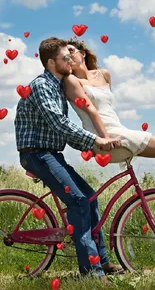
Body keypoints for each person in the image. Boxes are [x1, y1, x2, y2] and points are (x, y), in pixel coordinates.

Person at [14, 37, 124, 283]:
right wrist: (96, 141)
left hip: (51, 153)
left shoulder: (57, 86)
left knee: (91, 198)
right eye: (66, 57)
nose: (70, 61)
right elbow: (59, 124)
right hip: (37, 153)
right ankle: (91, 274)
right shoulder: (43, 85)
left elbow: (64, 132)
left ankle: (101, 261)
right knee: (79, 202)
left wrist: (94, 144)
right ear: (52, 62)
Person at [63, 37, 153, 164]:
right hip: (101, 135)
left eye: (71, 51)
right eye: (64, 56)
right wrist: (105, 138)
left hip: (118, 128)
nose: (68, 56)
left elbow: (107, 107)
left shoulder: (104, 74)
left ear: (82, 53)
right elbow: (91, 110)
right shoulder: (71, 80)